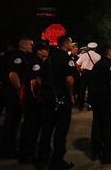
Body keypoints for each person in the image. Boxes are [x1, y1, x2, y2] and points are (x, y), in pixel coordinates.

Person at [37, 35, 76, 169]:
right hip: (61, 99)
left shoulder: (49, 57)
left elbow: (38, 80)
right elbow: (69, 80)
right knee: (60, 131)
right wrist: (71, 95)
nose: (72, 44)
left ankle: (42, 158)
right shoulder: (66, 58)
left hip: (47, 97)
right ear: (65, 43)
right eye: (70, 42)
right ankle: (57, 160)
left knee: (46, 130)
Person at [0, 37, 33, 158]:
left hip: (12, 93)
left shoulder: (21, 56)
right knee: (11, 121)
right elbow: (13, 74)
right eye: (30, 45)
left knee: (14, 121)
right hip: (13, 94)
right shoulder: (18, 56)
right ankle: (7, 149)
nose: (31, 47)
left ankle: (9, 147)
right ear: (23, 46)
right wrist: (19, 91)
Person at [89, 44, 111, 164]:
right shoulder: (110, 65)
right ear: (109, 52)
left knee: (97, 125)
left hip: (96, 100)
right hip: (107, 100)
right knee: (109, 127)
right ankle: (108, 155)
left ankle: (95, 151)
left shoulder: (97, 65)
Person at [18, 41, 49, 163]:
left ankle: (26, 152)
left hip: (31, 99)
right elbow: (34, 82)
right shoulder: (36, 63)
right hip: (33, 101)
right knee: (31, 127)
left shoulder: (37, 61)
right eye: (44, 49)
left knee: (31, 127)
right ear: (39, 51)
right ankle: (27, 154)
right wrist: (38, 97)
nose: (47, 51)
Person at [76, 42, 101, 110]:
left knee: (82, 89)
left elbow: (77, 64)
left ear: (88, 48)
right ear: (95, 48)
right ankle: (90, 105)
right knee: (91, 90)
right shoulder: (98, 56)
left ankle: (80, 105)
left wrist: (81, 71)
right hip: (93, 74)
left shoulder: (83, 55)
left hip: (84, 73)